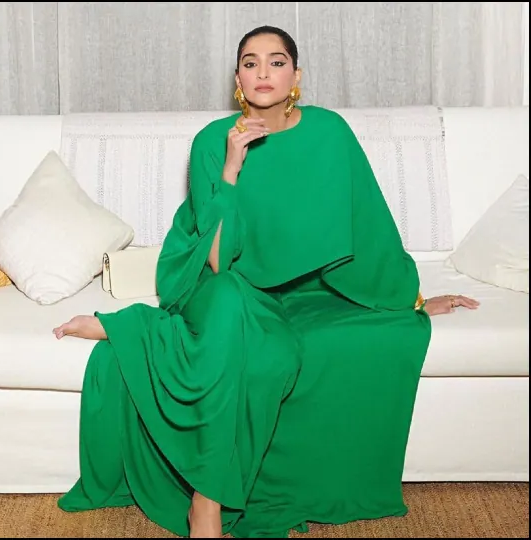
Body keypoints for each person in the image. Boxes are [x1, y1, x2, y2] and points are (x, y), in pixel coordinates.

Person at [53, 25, 479, 538]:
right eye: (250, 63)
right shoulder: (212, 141)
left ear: (296, 76)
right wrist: (231, 169)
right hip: (217, 283)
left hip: (302, 292)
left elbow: (368, 224)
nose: (263, 73)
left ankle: (136, 339)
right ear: (237, 78)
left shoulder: (329, 132)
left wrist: (409, 300)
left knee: (278, 352)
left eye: (276, 62)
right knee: (233, 306)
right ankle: (206, 501)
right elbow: (216, 260)